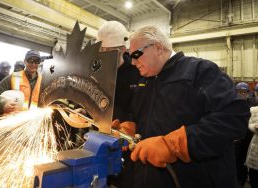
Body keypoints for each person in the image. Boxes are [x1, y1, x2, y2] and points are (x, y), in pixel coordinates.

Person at [113, 26, 250, 188]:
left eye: (136, 54)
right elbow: (139, 114)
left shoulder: (200, 71)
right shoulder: (145, 81)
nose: (133, 61)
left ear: (158, 47)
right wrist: (129, 126)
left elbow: (234, 119)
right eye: (130, 56)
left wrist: (174, 146)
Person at [97, 21, 141, 187]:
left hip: (127, 141)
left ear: (123, 49)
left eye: (110, 51)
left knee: (125, 180)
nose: (105, 55)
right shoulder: (99, 71)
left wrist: (130, 124)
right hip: (101, 136)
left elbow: (142, 105)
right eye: (102, 50)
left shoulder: (137, 71)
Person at [0, 50, 42, 114]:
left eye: (37, 61)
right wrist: (3, 105)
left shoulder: (43, 81)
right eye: (30, 60)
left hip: (33, 122)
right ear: (24, 61)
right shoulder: (13, 77)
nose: (33, 64)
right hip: (13, 121)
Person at [234, 82, 254, 187]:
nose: (242, 94)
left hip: (249, 136)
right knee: (239, 158)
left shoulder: (252, 105)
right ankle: (240, 178)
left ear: (248, 93)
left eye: (244, 92)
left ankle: (250, 177)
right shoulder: (232, 104)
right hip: (237, 138)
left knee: (249, 157)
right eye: (240, 92)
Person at [246, 106, 258, 188]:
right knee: (254, 175)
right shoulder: (254, 110)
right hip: (256, 147)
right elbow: (250, 124)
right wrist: (255, 127)